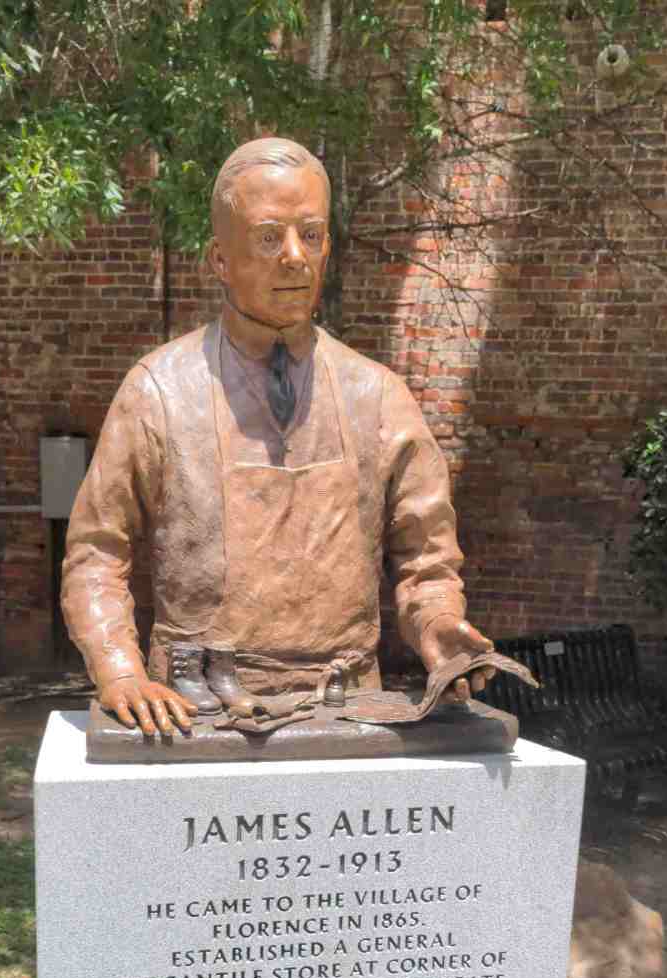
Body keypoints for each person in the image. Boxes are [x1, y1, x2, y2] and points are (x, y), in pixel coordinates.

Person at [61, 136, 494, 739]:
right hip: (197, 713)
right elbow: (95, 553)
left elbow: (426, 558)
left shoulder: (379, 397)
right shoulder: (158, 391)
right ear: (219, 258)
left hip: (345, 712)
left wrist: (441, 627)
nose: (295, 256)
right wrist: (119, 670)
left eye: (311, 235)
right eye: (269, 237)